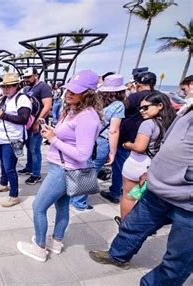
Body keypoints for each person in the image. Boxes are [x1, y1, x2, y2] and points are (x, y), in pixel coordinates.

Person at [89, 79, 193, 285]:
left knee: (177, 260)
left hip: (188, 204)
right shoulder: (186, 110)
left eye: (146, 107)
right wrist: (153, 170)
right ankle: (117, 255)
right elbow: (167, 145)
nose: (185, 89)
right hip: (158, 189)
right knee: (133, 226)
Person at [17, 70, 101, 262]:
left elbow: (83, 154)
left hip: (65, 169)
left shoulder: (87, 116)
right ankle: (56, 242)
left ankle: (39, 248)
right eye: (68, 89)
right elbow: (70, 139)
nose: (69, 93)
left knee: (38, 207)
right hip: (61, 167)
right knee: (62, 206)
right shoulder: (74, 110)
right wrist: (53, 132)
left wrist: (53, 139)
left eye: (75, 90)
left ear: (88, 93)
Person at [70, 74, 126, 211]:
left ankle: (73, 196)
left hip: (85, 138)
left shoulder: (95, 100)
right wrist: (112, 152)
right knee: (91, 172)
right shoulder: (118, 105)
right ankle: (79, 201)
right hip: (101, 142)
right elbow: (113, 130)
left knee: (81, 168)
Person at [118, 92, 176, 221]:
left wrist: (127, 144)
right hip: (157, 167)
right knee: (147, 200)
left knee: (129, 197)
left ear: (160, 105)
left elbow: (139, 147)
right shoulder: (172, 123)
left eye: (146, 107)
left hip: (138, 165)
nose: (142, 111)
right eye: (140, 108)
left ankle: (125, 225)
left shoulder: (148, 124)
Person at [101, 71, 156, 204]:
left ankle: (116, 192)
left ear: (138, 84)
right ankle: (137, 193)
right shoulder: (157, 97)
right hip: (148, 138)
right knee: (143, 168)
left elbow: (119, 114)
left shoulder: (133, 97)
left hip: (126, 137)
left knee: (120, 166)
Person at [0, 73, 31, 207]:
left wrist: (3, 116)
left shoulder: (22, 99)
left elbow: (23, 119)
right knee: (3, 163)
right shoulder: (2, 99)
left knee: (10, 168)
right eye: (4, 86)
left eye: (9, 86)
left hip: (13, 139)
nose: (6, 89)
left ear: (16, 86)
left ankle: (14, 195)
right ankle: (3, 184)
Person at [18, 67, 52, 185]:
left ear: (36, 75)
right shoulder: (27, 88)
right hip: (28, 123)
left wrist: (38, 122)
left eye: (29, 77)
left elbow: (47, 106)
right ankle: (29, 167)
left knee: (34, 149)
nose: (26, 79)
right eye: (25, 77)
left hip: (37, 124)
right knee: (29, 147)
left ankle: (36, 174)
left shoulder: (43, 87)